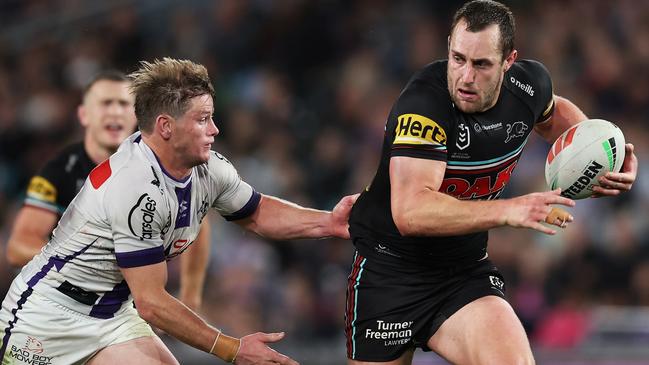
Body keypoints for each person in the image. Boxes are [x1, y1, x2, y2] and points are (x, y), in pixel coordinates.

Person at [0, 58, 357, 365]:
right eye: (203, 119)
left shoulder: (208, 169)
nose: (215, 130)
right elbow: (152, 303)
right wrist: (233, 349)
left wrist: (327, 221)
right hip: (47, 318)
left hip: (110, 315)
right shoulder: (134, 187)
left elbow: (258, 212)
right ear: (166, 127)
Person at [345, 1, 638, 364]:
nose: (466, 76)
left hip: (463, 272)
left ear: (508, 61)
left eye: (481, 64)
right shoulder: (422, 107)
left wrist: (604, 153)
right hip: (390, 271)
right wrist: (510, 210)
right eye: (458, 59)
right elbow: (410, 211)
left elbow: (555, 115)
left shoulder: (528, 87)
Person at [4, 70, 211, 311]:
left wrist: (190, 295)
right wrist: (85, 262)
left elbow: (197, 222)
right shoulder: (61, 171)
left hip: (123, 308)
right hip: (57, 304)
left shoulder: (162, 165)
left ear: (136, 116)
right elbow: (18, 246)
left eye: (123, 104)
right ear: (84, 115)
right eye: (105, 104)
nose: (114, 112)